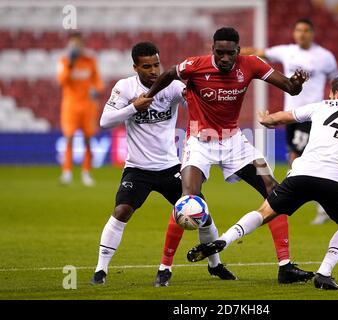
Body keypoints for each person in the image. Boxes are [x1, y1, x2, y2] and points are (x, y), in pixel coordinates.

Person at [187, 75, 338, 290]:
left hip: (301, 174)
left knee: (265, 211)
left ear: (335, 94)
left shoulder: (322, 106)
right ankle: (324, 273)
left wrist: (267, 119)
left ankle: (223, 240)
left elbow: (282, 117)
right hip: (335, 181)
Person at [145, 27, 315, 284]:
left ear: (238, 50)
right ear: (212, 49)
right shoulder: (195, 65)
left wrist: (297, 83)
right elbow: (169, 73)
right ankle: (164, 268)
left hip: (235, 141)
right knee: (187, 201)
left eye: (230, 53)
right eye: (220, 52)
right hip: (199, 142)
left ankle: (285, 266)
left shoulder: (251, 64)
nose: (225, 58)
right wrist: (148, 96)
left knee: (274, 190)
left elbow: (291, 89)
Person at [90, 42, 235, 286]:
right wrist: (132, 107)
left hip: (170, 168)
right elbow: (105, 121)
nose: (154, 70)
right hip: (137, 169)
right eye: (147, 66)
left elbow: (195, 105)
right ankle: (100, 270)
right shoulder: (125, 87)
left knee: (202, 214)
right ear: (135, 67)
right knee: (121, 211)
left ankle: (215, 264)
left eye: (156, 64)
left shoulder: (173, 88)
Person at [242, 18, 338, 225]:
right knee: (297, 156)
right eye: (298, 30)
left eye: (305, 30)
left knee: (298, 155)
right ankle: (321, 201)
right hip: (291, 115)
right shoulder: (287, 51)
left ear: (312, 33)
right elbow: (259, 52)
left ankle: (304, 194)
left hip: (313, 114)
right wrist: (234, 52)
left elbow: (336, 80)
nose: (301, 34)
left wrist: (336, 102)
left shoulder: (325, 57)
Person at [57, 32, 104, 186]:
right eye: (73, 44)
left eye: (78, 44)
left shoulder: (90, 60)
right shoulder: (64, 60)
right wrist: (70, 63)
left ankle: (86, 172)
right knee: (69, 138)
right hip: (70, 106)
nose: (76, 47)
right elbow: (62, 80)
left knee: (88, 140)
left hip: (88, 106)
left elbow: (98, 81)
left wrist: (97, 89)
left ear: (82, 45)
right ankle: (67, 172)